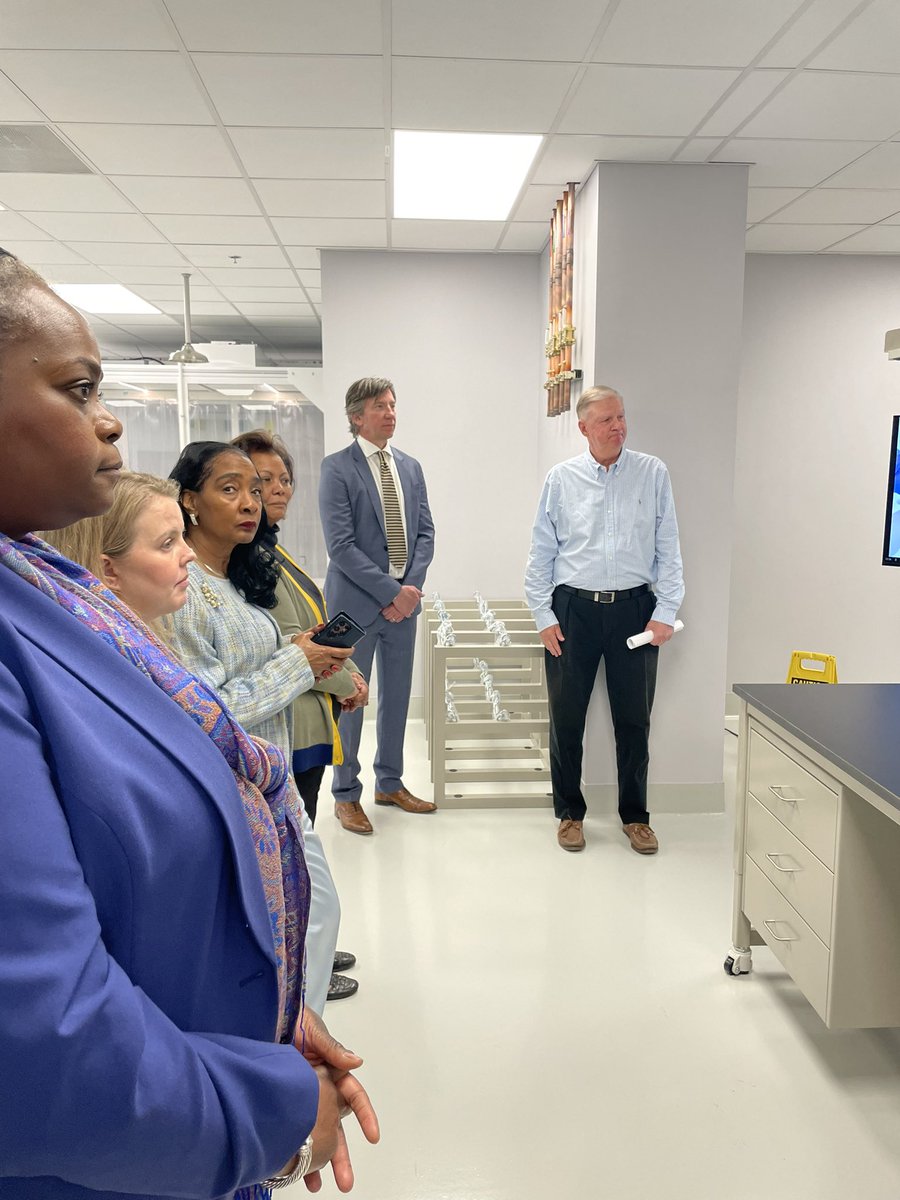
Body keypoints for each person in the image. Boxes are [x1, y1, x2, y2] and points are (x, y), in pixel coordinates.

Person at [0, 248, 377, 1198]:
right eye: (76, 388)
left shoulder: (42, 584)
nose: (110, 417)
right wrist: (271, 1104)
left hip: (196, 1065)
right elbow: (50, 1040)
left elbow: (127, 882)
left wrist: (264, 1016)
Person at [165, 441, 353, 1016]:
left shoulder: (233, 580)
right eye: (230, 489)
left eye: (255, 489)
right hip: (237, 791)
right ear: (191, 502)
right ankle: (295, 1040)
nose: (251, 502)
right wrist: (298, 662)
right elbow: (209, 710)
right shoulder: (187, 590)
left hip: (269, 780)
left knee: (311, 913)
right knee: (310, 911)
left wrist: (296, 653)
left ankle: (298, 1031)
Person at [232, 429, 368, 998]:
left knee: (303, 848)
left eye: (283, 478)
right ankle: (299, 964)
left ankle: (309, 946)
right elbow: (284, 643)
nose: (274, 490)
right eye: (260, 482)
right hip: (291, 710)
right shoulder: (245, 560)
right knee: (289, 852)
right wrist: (344, 675)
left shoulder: (272, 548)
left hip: (306, 709)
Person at [524, 385, 684, 855]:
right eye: (606, 421)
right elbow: (541, 553)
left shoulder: (652, 473)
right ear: (584, 428)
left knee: (634, 720)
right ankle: (569, 814)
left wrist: (665, 613)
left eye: (621, 418)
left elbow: (669, 547)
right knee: (566, 719)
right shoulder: (561, 479)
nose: (618, 427)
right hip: (572, 610)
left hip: (636, 611)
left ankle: (636, 817)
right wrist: (543, 615)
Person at [318, 377, 436, 835]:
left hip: (403, 609)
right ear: (355, 417)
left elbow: (425, 533)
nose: (390, 413)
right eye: (379, 407)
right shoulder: (337, 468)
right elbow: (341, 547)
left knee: (397, 698)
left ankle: (390, 782)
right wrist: (393, 592)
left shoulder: (410, 467)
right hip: (351, 608)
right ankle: (346, 794)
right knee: (348, 700)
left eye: (392, 405)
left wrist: (408, 591)